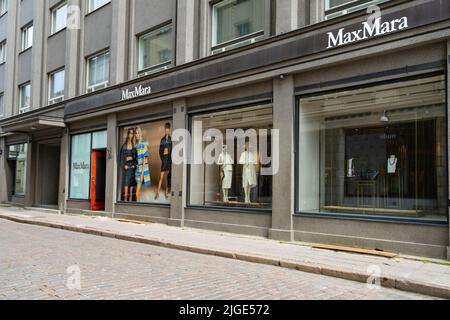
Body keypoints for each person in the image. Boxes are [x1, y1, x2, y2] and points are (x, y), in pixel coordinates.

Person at [155, 123, 172, 200]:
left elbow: (172, 150)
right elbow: (160, 151)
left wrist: (170, 159)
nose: (167, 131)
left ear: (169, 130)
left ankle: (166, 193)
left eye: (168, 130)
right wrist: (162, 159)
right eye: (166, 130)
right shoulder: (162, 139)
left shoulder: (171, 139)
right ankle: (157, 192)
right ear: (165, 130)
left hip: (169, 160)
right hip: (164, 160)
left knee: (168, 177)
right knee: (161, 177)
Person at [119, 128, 137, 202]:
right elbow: (121, 158)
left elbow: (136, 157)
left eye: (132, 133)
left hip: (132, 167)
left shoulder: (133, 146)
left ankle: (130, 200)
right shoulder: (124, 146)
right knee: (126, 184)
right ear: (128, 134)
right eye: (130, 133)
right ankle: (125, 200)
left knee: (132, 184)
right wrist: (124, 165)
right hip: (126, 167)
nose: (131, 135)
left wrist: (134, 165)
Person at [134, 127, 151, 202]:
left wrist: (142, 174)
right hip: (135, 170)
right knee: (137, 192)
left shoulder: (143, 145)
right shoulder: (134, 146)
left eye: (138, 133)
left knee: (137, 193)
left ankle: (137, 208)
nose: (137, 135)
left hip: (141, 171)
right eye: (136, 133)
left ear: (140, 134)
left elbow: (145, 160)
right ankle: (138, 204)